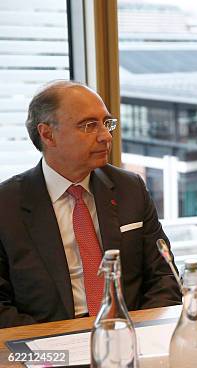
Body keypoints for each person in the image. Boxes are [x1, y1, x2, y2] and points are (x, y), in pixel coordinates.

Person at [0, 81, 181, 328]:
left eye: (106, 123)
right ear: (47, 134)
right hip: (48, 345)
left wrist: (139, 332)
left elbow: (164, 276)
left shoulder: (130, 188)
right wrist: (53, 344)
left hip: (127, 333)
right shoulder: (7, 205)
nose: (106, 136)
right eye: (88, 125)